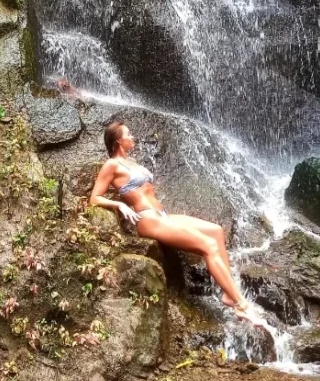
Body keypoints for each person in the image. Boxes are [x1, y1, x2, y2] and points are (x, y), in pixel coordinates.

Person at [89, 120, 267, 330]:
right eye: (129, 135)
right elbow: (94, 198)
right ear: (118, 140)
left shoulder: (133, 163)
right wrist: (119, 204)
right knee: (207, 246)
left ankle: (229, 294)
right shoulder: (112, 165)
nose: (133, 137)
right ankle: (241, 305)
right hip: (147, 219)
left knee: (216, 232)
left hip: (162, 215)